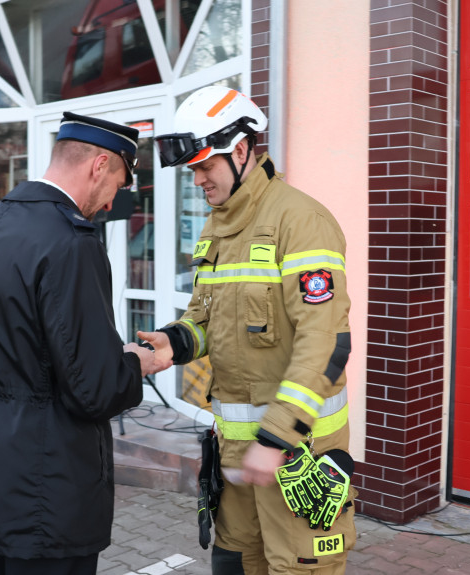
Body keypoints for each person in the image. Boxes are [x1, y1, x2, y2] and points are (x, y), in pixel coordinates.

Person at [0, 112, 169, 574]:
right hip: (49, 485)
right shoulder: (71, 243)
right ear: (99, 165)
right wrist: (136, 363)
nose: (110, 204)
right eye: (119, 184)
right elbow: (94, 389)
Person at [140, 87, 356, 574]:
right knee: (234, 563)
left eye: (204, 166)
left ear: (240, 151)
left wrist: (275, 440)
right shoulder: (217, 229)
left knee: (297, 568)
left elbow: (325, 344)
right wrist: (170, 344)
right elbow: (206, 319)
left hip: (295, 454)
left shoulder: (301, 221)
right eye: (192, 169)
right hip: (238, 453)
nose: (197, 180)